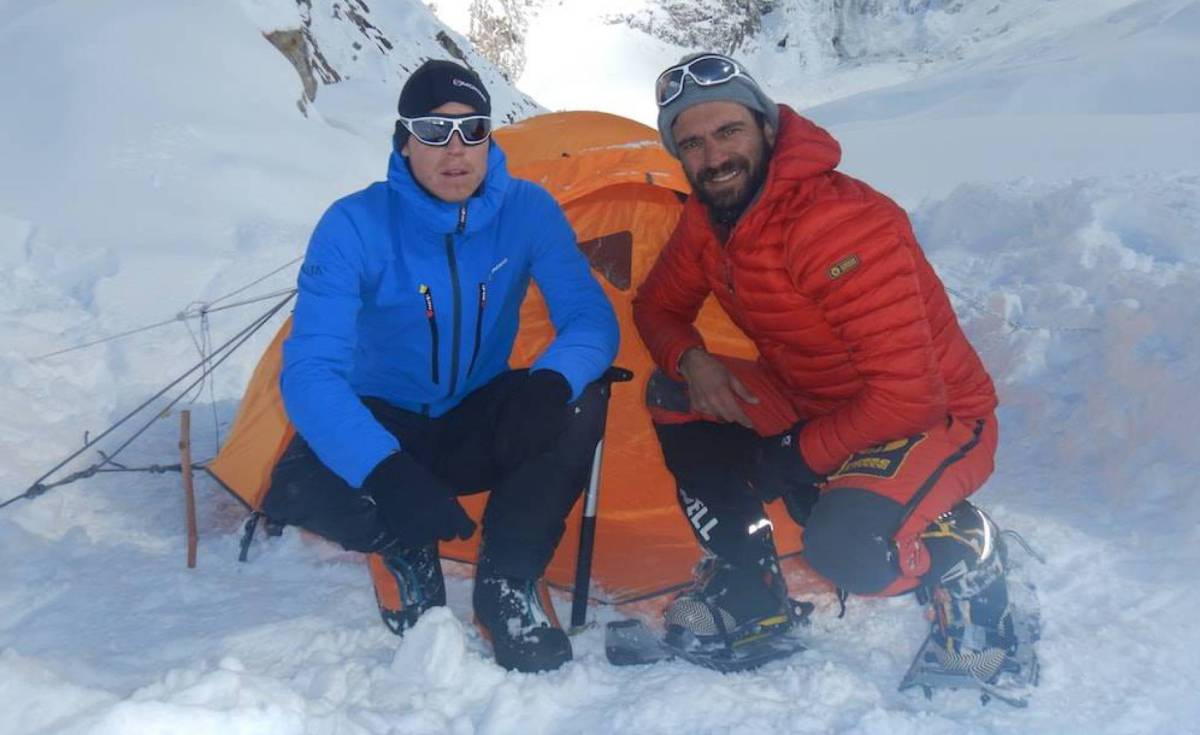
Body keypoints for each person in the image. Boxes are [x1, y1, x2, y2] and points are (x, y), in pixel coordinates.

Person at [632, 53, 1017, 681]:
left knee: (846, 550)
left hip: (936, 420)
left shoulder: (839, 225)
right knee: (673, 389)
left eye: (728, 131)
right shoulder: (708, 221)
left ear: (767, 127)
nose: (712, 156)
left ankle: (968, 557)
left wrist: (795, 454)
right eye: (692, 142)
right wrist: (692, 359)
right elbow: (657, 305)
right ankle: (749, 584)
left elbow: (909, 397)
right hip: (813, 401)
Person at [263, 60, 619, 674]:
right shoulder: (353, 224)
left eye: (472, 129)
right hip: (385, 420)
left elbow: (590, 318)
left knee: (580, 401)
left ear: (490, 137)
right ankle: (405, 545)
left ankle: (508, 582)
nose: (455, 151)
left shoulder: (527, 211)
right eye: (433, 131)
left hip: (473, 416)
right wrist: (383, 470)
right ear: (404, 142)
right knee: (296, 487)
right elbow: (310, 371)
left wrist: (551, 380)